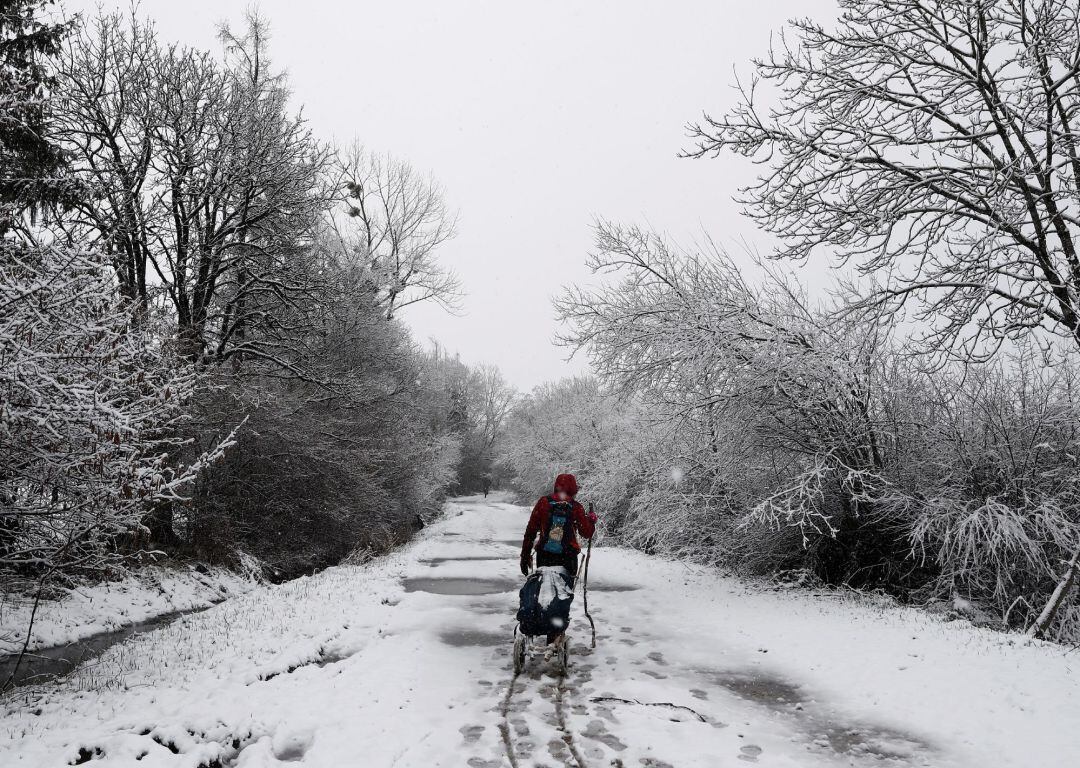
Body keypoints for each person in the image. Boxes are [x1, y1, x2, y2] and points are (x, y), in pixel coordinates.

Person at [520, 473, 597, 579]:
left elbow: (530, 532)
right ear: (573, 489)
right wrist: (591, 521)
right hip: (568, 558)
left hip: (544, 556)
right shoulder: (576, 507)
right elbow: (587, 533)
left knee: (543, 590)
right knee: (564, 592)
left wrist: (525, 557)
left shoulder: (543, 503)